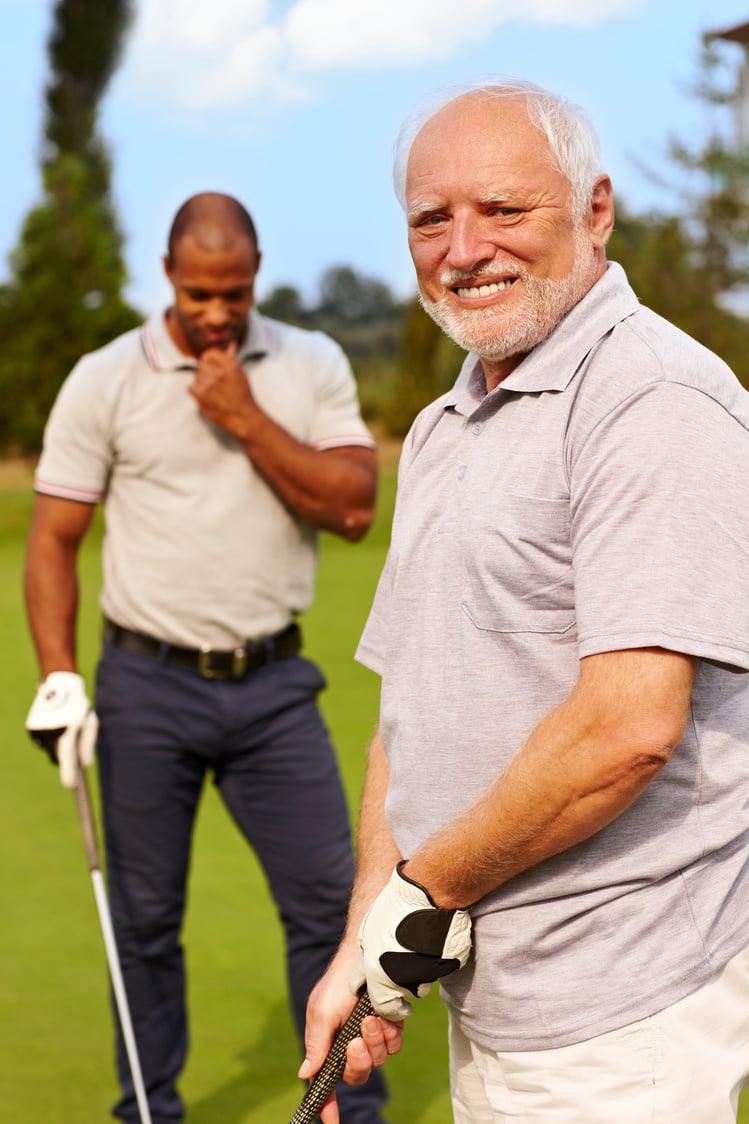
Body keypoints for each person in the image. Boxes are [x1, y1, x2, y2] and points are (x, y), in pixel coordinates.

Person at [300, 80, 749, 1124]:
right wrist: (371, 929)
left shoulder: (652, 401)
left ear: (593, 212)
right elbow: (408, 714)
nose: (463, 249)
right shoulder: (440, 426)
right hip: (494, 1003)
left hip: (621, 1009)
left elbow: (626, 726)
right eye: (430, 219)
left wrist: (426, 885)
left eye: (502, 210)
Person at [23, 191, 388, 1124]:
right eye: (199, 294)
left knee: (327, 912)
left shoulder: (309, 362)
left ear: (257, 271)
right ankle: (151, 1111)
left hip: (274, 688)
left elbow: (352, 507)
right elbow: (53, 539)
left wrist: (246, 418)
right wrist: (59, 675)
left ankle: (348, 1108)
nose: (218, 312)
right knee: (143, 925)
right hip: (145, 687)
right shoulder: (104, 378)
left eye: (234, 292)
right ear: (168, 276)